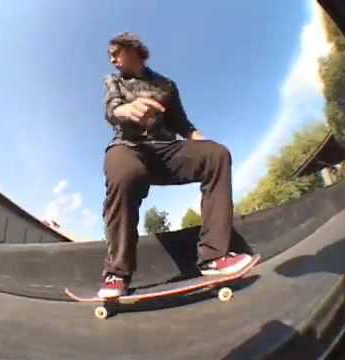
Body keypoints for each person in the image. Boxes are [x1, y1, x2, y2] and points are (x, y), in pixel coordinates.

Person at [98, 32, 252, 298]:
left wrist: (208, 146)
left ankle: (214, 257)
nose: (112, 60)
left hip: (166, 152)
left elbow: (184, 126)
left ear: (132, 49)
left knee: (217, 155)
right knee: (125, 174)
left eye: (115, 53)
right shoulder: (114, 80)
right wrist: (124, 111)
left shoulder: (166, 85)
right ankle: (117, 274)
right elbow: (112, 107)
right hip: (128, 148)